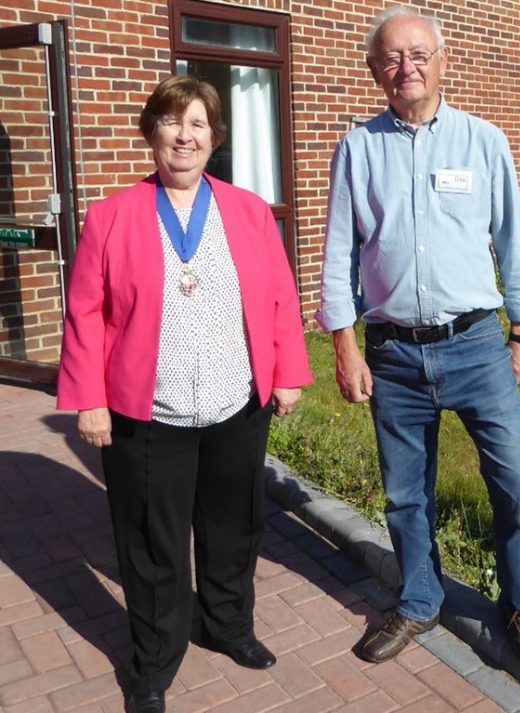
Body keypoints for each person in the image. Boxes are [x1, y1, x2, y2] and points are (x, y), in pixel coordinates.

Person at [57, 76, 313, 713]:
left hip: (235, 403)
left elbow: (281, 295)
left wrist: (287, 373)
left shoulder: (249, 212)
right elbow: (84, 311)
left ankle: (227, 626)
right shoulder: (110, 216)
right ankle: (154, 660)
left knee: (234, 527)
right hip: (150, 410)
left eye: (197, 124)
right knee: (151, 543)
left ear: (214, 138)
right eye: (172, 122)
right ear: (152, 133)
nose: (184, 135)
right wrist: (89, 398)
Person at [317, 5, 520, 666]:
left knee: (516, 484)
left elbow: (514, 244)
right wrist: (345, 344)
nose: (406, 68)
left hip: (477, 345)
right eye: (391, 57)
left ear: (443, 60)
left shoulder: (483, 141)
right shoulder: (359, 148)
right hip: (393, 352)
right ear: (373, 70)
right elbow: (339, 254)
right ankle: (420, 600)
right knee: (405, 493)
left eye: (418, 54)